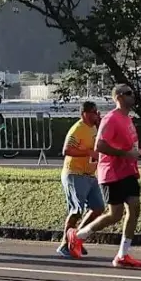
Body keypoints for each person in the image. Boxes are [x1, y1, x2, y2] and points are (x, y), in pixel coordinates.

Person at [67, 85, 141, 267]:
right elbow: (99, 146)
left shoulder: (127, 119)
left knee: (134, 208)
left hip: (128, 171)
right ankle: (78, 235)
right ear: (119, 97)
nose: (133, 96)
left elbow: (129, 147)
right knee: (115, 215)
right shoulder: (111, 118)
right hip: (112, 173)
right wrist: (124, 155)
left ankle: (122, 255)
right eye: (129, 93)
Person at [56, 101, 104, 258]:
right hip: (74, 174)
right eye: (93, 112)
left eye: (97, 112)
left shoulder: (95, 127)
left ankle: (77, 238)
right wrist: (89, 153)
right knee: (76, 210)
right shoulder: (78, 128)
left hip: (90, 175)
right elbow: (67, 150)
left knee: (98, 208)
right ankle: (64, 244)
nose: (96, 115)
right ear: (85, 113)